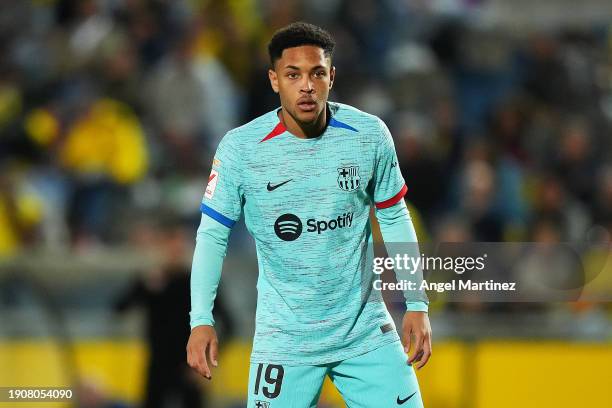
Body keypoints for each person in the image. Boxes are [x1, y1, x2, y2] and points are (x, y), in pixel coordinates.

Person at [187, 22, 432, 408]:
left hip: (365, 333)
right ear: (273, 80)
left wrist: (416, 303)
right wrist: (200, 318)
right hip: (285, 340)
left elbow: (395, 217)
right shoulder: (241, 150)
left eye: (317, 73)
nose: (306, 86)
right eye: (292, 74)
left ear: (331, 77)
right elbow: (212, 236)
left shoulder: (369, 136)